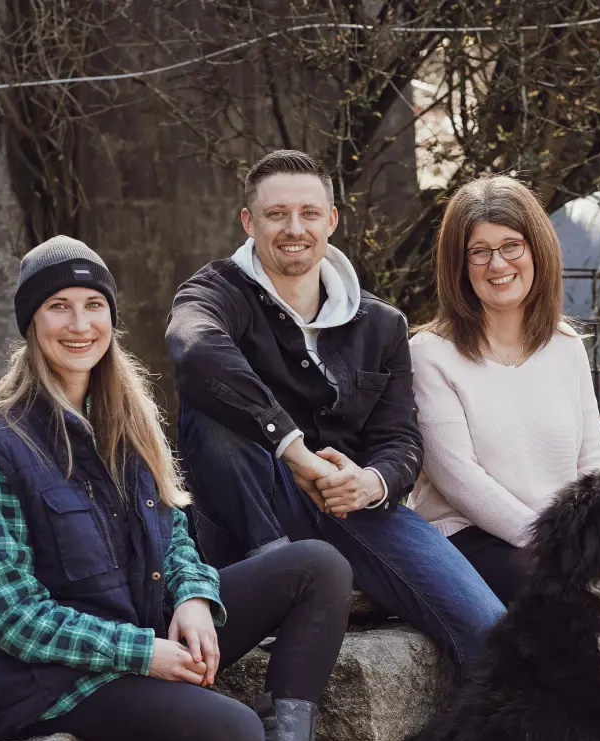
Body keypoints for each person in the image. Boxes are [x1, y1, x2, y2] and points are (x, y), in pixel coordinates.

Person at [0, 236, 380, 741]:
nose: (79, 325)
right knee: (233, 730)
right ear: (30, 322)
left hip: (142, 623)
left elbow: (173, 532)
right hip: (59, 677)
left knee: (315, 567)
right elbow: (8, 614)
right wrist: (146, 653)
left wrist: (193, 599)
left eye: (92, 306)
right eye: (58, 307)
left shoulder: (121, 417)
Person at [166, 150, 505, 674]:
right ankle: (279, 575)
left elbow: (400, 440)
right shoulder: (215, 292)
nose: (293, 228)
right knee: (211, 409)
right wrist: (295, 451)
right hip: (253, 508)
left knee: (489, 632)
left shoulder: (381, 323)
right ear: (248, 222)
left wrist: (372, 482)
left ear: (332, 220)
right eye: (276, 214)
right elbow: (194, 350)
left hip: (354, 505)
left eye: (308, 213)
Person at [409, 174, 600, 605]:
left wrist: (596, 536)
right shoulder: (429, 354)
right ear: (459, 267)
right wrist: (551, 542)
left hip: (557, 542)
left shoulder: (566, 347)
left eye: (511, 246)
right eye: (479, 252)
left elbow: (591, 463)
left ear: (537, 250)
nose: (498, 265)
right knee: (560, 598)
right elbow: (460, 480)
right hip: (468, 540)